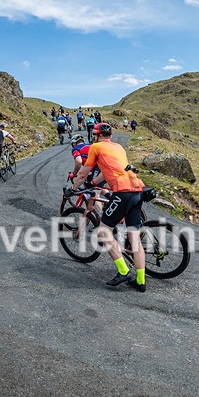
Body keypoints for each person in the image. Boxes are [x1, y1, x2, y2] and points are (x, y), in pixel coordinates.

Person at [67, 123, 147, 292]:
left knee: (103, 231)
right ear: (110, 135)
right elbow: (108, 170)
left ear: (96, 135)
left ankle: (124, 271)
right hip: (137, 190)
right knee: (134, 237)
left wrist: (73, 190)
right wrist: (93, 183)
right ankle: (140, 281)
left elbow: (83, 172)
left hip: (123, 192)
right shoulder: (118, 147)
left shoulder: (95, 147)